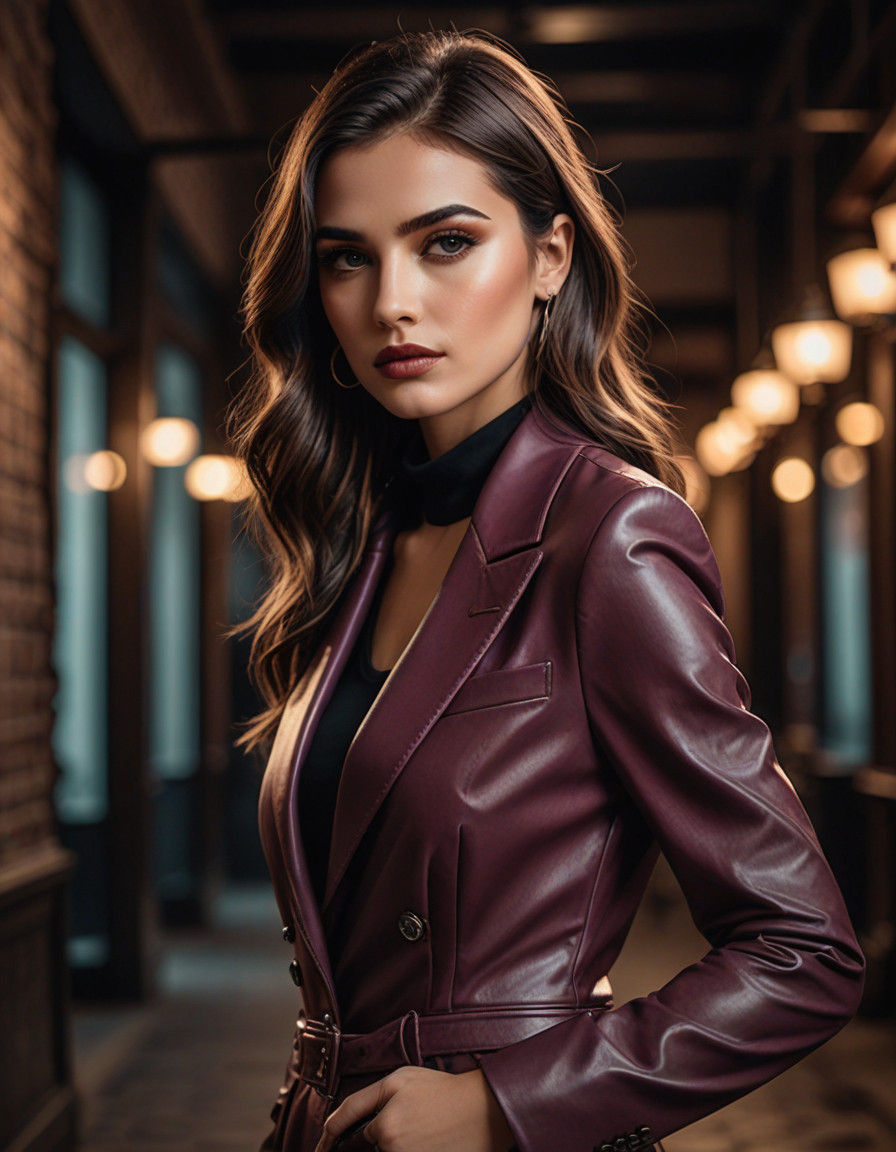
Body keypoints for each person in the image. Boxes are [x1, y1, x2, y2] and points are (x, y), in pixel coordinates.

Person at [227, 29, 865, 1152]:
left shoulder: (607, 535)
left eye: (446, 243)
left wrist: (500, 1106)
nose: (391, 302)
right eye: (346, 257)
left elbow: (801, 950)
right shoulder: (363, 536)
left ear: (552, 257)